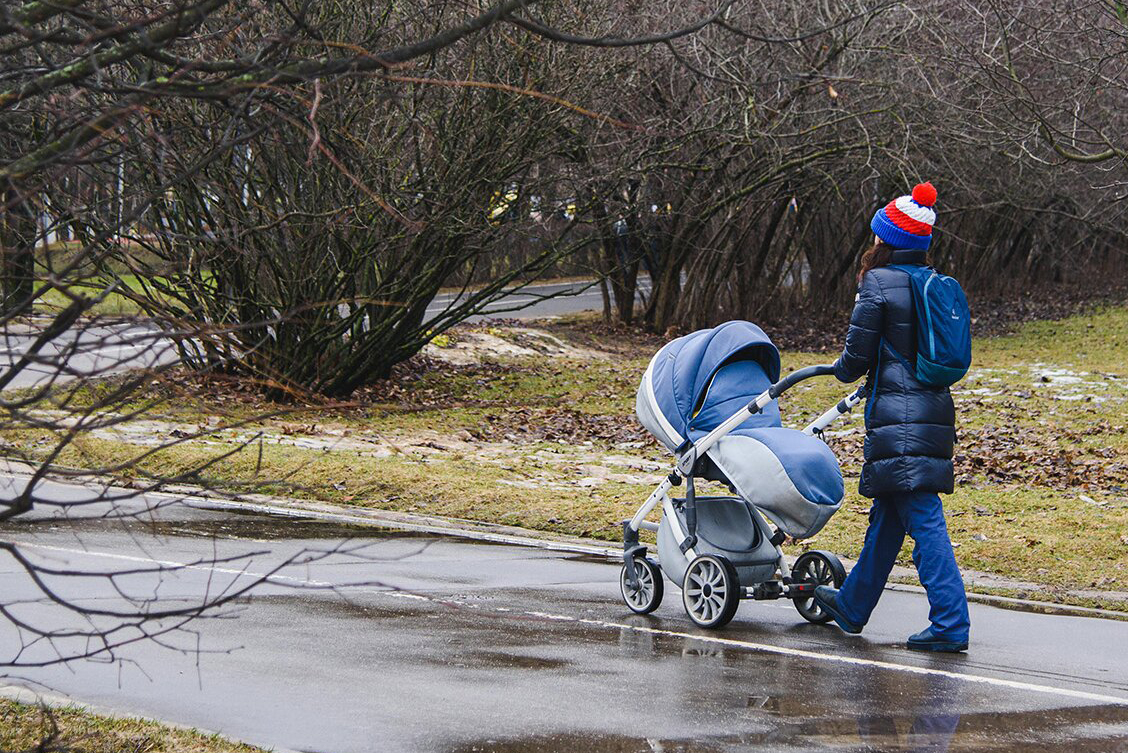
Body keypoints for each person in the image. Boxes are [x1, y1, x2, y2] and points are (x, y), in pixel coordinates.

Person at [813, 181, 971, 653]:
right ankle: (853, 605)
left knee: (925, 521)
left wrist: (837, 370)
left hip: (900, 421)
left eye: (879, 234)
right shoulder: (931, 283)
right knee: (888, 514)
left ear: (889, 239)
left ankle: (950, 623)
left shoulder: (878, 283)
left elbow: (855, 358)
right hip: (931, 412)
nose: (875, 241)